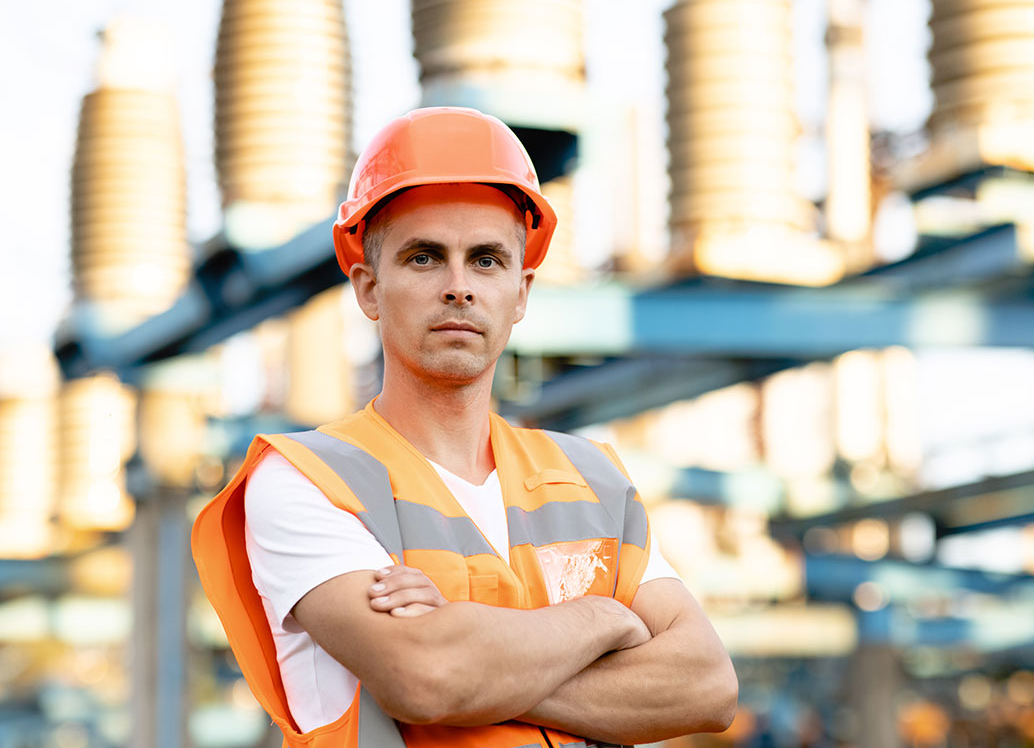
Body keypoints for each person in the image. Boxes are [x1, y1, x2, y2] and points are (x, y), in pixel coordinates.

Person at [192, 106, 739, 748]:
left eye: (486, 260)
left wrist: (471, 653)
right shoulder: (306, 480)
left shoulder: (594, 480)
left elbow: (707, 686)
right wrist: (603, 618)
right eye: (425, 258)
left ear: (522, 291)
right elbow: (425, 678)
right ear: (368, 289)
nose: (459, 287)